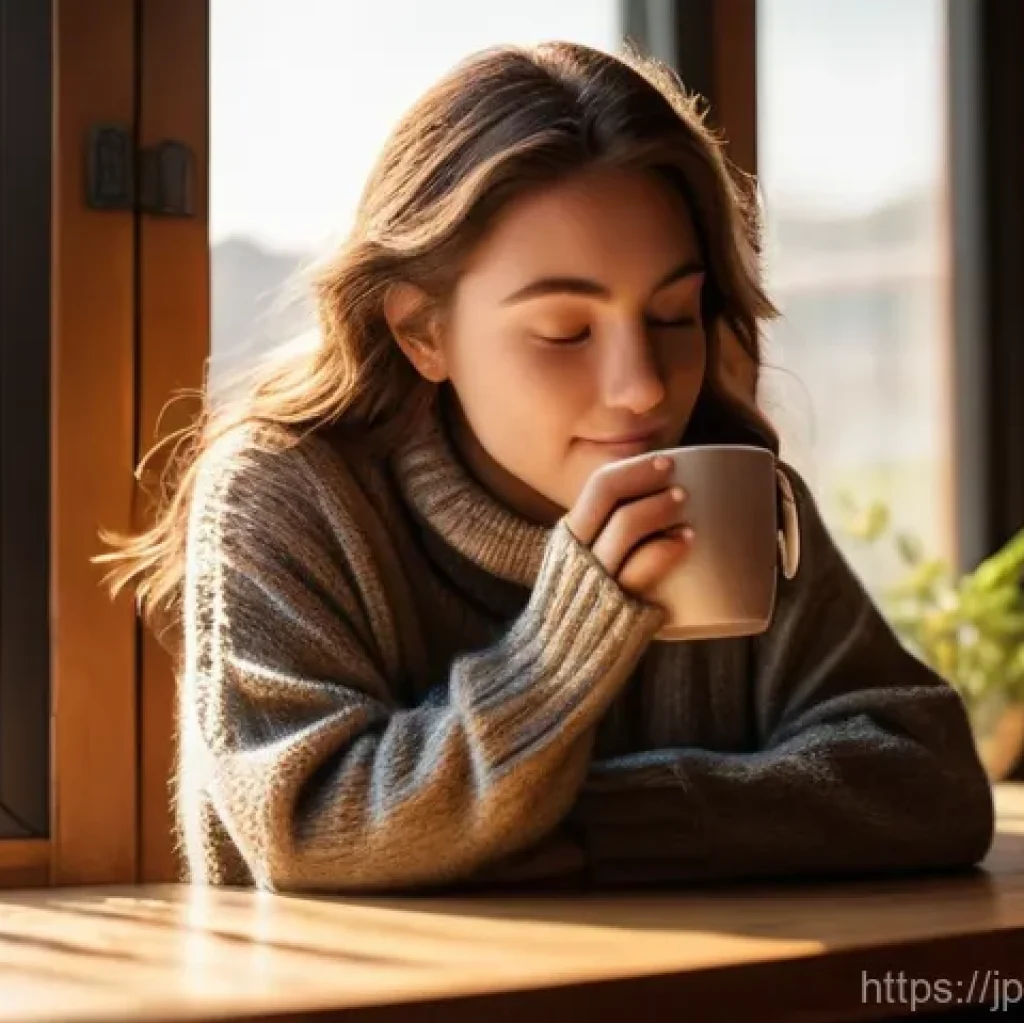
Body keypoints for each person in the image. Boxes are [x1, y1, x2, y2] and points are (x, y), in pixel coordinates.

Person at [98, 41, 994, 895]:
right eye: (566, 330)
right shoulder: (284, 496)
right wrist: (571, 643)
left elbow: (928, 780)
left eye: (674, 315)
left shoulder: (730, 494)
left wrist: (592, 826)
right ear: (422, 331)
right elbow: (309, 824)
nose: (643, 388)